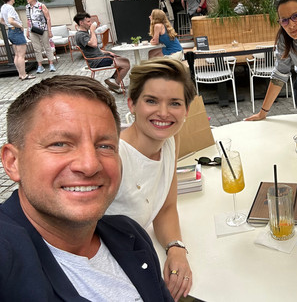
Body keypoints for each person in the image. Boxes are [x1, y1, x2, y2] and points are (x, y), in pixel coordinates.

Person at [0, 75, 173, 301]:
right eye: (60, 144)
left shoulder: (130, 234)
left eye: (105, 146)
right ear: (13, 162)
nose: (90, 165)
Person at [105, 58, 196, 300]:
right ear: (132, 104)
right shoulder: (114, 158)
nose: (164, 113)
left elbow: (166, 207)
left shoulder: (170, 140)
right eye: (151, 101)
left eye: (175, 103)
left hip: (140, 257)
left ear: (186, 110)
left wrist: (176, 248)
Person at [74, 12, 130, 94]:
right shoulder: (80, 35)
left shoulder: (84, 33)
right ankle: (114, 82)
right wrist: (92, 31)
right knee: (126, 64)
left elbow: (94, 49)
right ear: (81, 23)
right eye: (88, 21)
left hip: (100, 57)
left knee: (124, 60)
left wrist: (107, 52)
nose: (90, 23)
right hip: (96, 61)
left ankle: (113, 81)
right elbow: (94, 44)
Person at [0, 0, 35, 80]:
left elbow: (1, 20)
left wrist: (8, 25)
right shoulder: (10, 8)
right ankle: (24, 75)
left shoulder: (3, 7)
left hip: (11, 31)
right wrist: (20, 26)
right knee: (21, 55)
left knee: (17, 55)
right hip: (16, 31)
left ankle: (20, 74)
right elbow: (11, 20)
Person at [23, 0, 56, 73]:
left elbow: (48, 18)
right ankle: (40, 65)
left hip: (43, 29)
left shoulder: (41, 6)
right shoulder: (27, 7)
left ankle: (51, 64)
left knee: (47, 46)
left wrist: (49, 30)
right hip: (32, 30)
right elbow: (28, 19)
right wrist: (27, 31)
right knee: (36, 48)